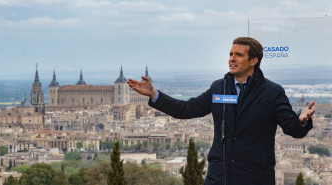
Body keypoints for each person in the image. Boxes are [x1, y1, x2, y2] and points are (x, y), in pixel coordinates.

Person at [127, 37, 315, 185]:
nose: (232, 59)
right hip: (219, 176)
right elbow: (186, 109)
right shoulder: (219, 88)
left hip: (255, 177)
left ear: (253, 61)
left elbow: (292, 128)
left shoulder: (272, 92)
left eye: (239, 55)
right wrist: (153, 94)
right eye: (231, 54)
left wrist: (302, 120)